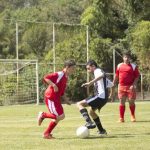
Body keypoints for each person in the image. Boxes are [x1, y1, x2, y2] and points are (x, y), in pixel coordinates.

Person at [38, 60, 76, 139]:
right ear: (67, 67)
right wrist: (53, 85)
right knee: (58, 116)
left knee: (61, 116)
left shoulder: (66, 77)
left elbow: (62, 92)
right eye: (72, 68)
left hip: (56, 98)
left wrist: (66, 100)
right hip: (51, 97)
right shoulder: (60, 74)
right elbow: (46, 77)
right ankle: (43, 115)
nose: (74, 70)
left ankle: (46, 133)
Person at [77, 60, 113, 135]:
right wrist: (110, 94)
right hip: (103, 98)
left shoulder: (97, 70)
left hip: (99, 96)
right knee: (91, 111)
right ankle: (102, 131)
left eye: (88, 68)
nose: (88, 71)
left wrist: (90, 83)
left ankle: (89, 122)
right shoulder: (99, 73)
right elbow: (111, 84)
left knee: (79, 104)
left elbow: (102, 75)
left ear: (93, 66)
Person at [113, 52, 140, 122]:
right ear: (123, 58)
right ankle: (121, 118)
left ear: (130, 58)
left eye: (128, 57)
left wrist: (134, 84)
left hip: (130, 87)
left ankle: (132, 116)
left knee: (131, 101)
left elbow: (137, 76)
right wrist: (113, 83)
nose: (126, 59)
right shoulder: (119, 65)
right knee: (122, 102)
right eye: (125, 57)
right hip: (121, 86)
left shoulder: (133, 66)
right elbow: (116, 75)